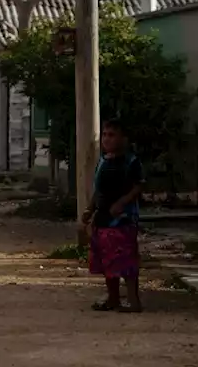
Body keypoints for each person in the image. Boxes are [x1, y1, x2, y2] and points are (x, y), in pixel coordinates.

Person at [83, 118, 145, 313]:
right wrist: (90, 210)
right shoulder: (103, 161)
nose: (107, 139)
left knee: (125, 260)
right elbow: (98, 190)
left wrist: (122, 202)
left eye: (112, 135)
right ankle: (113, 298)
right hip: (103, 219)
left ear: (124, 139)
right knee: (107, 261)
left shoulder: (131, 162)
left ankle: (134, 301)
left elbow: (139, 186)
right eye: (104, 135)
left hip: (123, 220)